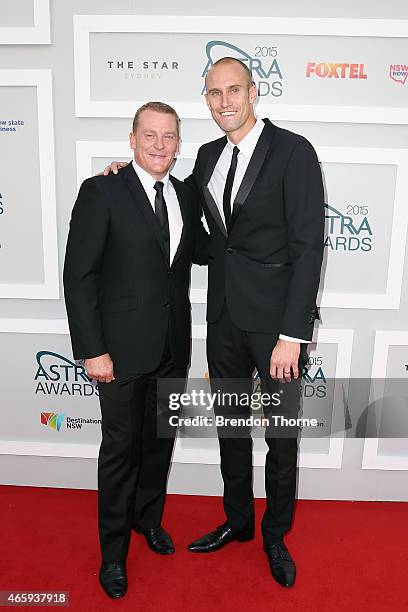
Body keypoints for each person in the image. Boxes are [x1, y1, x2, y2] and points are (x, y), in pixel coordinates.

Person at [104, 57, 325, 588]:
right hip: (223, 319)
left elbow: (308, 247)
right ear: (205, 100)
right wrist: (121, 179)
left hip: (277, 331)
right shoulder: (203, 157)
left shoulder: (294, 152)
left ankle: (275, 533)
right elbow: (192, 230)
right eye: (213, 93)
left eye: (233, 90)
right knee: (231, 430)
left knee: (280, 438)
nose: (224, 101)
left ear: (253, 92)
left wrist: (293, 335)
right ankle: (239, 520)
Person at [63, 101, 208, 599]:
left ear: (178, 143)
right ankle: (112, 554)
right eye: (149, 135)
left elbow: (205, 250)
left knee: (158, 446)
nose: (159, 145)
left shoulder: (186, 196)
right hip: (119, 354)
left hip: (171, 347)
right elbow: (79, 277)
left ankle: (148, 520)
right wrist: (92, 350)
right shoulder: (102, 189)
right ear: (131, 138)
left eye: (169, 136)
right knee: (121, 453)